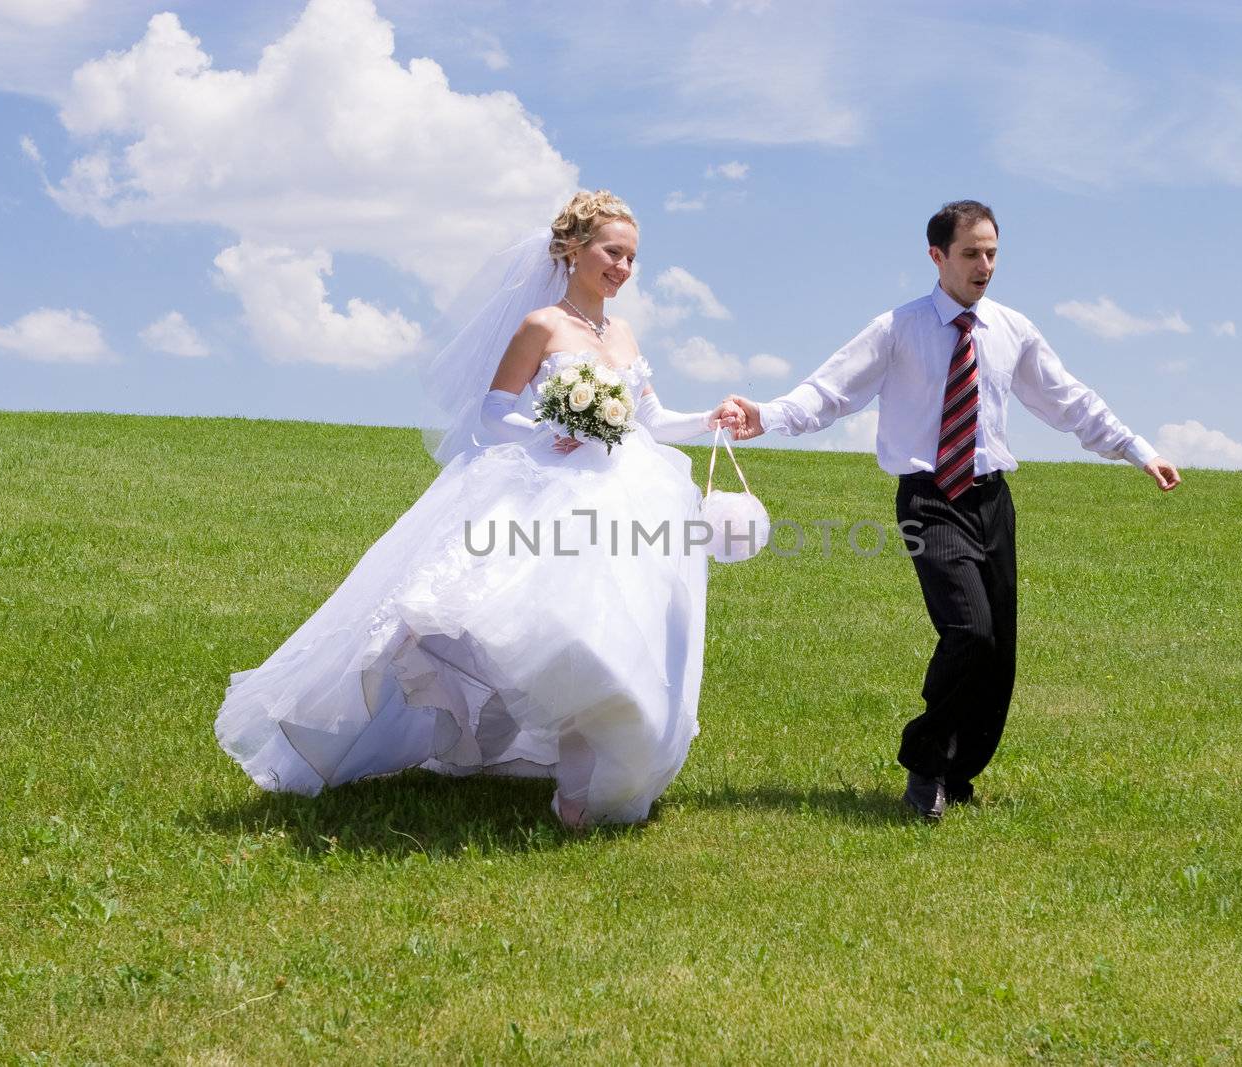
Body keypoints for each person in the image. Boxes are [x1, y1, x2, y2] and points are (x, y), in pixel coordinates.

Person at [215, 190, 742, 828]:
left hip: (629, 491)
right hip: (552, 491)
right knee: (564, 633)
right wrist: (551, 432)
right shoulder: (542, 325)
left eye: (632, 258)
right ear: (573, 251)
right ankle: (568, 781)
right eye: (612, 252)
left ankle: (600, 780)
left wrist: (708, 417)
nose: (623, 269)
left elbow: (651, 418)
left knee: (624, 633)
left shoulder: (624, 333)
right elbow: (494, 413)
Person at [725, 200, 1181, 821]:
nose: (985, 265)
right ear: (937, 256)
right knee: (969, 631)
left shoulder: (1013, 331)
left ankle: (958, 770)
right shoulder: (897, 328)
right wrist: (767, 415)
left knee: (998, 654)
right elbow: (830, 391)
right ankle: (925, 763)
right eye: (971, 253)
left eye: (992, 252)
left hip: (992, 499)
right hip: (930, 497)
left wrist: (1134, 447)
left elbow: (1067, 399)